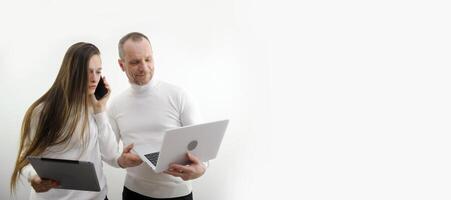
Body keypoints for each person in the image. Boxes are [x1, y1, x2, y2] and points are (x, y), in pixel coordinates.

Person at [10, 42, 142, 200]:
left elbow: (111, 155)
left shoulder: (95, 108)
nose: (94, 78)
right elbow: (24, 159)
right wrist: (34, 177)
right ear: (72, 73)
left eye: (98, 72)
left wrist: (100, 110)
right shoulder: (42, 111)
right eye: (88, 72)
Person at [108, 32, 207, 200]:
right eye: (135, 62)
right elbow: (109, 153)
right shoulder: (116, 105)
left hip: (178, 195)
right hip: (133, 194)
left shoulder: (179, 95)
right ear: (121, 64)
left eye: (148, 59)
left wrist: (201, 169)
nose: (144, 67)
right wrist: (121, 161)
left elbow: (203, 147)